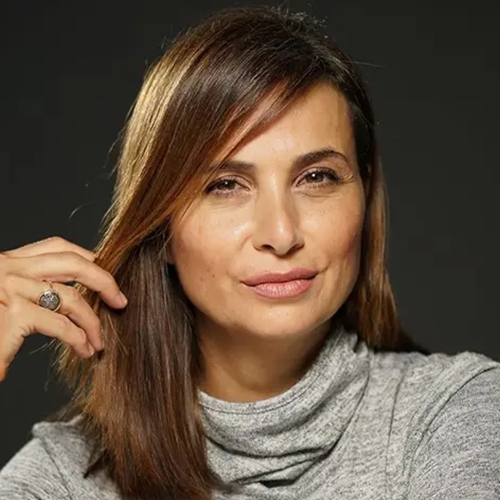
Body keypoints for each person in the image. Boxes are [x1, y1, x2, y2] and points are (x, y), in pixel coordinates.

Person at [0, 5, 499, 500]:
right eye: (225, 185)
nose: (281, 234)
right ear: (160, 225)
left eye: (317, 177)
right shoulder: (62, 477)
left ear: (364, 199)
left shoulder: (454, 414)